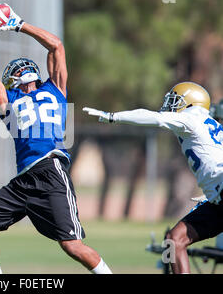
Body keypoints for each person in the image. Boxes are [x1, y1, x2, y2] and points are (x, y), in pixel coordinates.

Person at [0, 4, 112, 274]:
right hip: (24, 179)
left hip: (50, 171)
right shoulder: (52, 90)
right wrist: (17, 25)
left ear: (12, 79)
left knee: (73, 245)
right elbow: (55, 46)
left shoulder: (23, 97)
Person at [83, 81, 223, 274]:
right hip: (218, 199)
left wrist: (112, 117)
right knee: (175, 239)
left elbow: (154, 118)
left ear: (191, 104)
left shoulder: (192, 119)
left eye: (175, 101)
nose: (170, 106)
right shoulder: (209, 125)